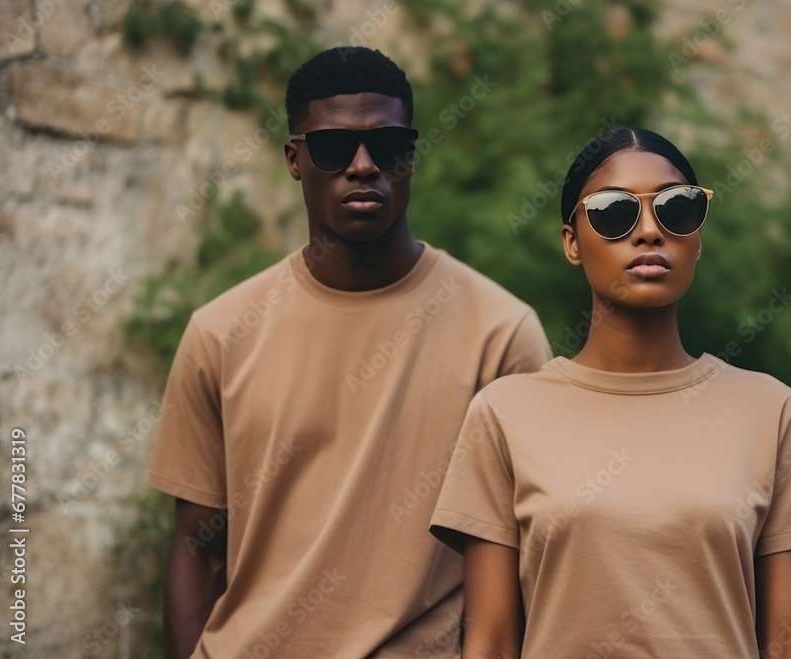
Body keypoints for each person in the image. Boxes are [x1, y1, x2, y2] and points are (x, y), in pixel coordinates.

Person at [146, 47, 551, 659]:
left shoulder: (501, 334)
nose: (363, 166)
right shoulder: (220, 334)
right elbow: (196, 549)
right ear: (294, 159)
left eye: (388, 146)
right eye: (335, 147)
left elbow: (526, 558)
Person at [429, 126, 791, 658]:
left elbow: (789, 645)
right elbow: (489, 641)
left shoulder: (771, 411)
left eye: (676, 210)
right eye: (612, 213)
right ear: (571, 242)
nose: (649, 231)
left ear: (698, 236)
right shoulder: (504, 414)